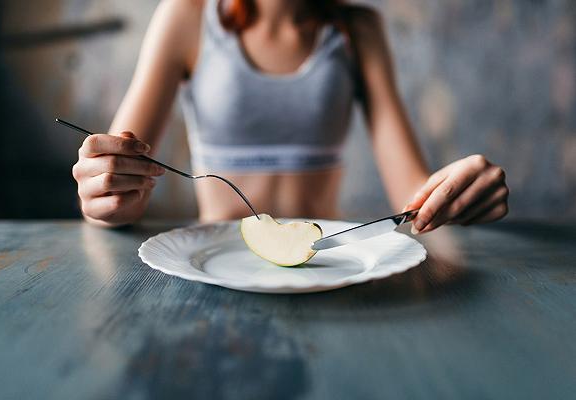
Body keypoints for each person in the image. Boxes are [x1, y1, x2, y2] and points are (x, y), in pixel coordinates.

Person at [72, 0, 509, 233]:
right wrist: (102, 193)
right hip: (216, 270)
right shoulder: (187, 16)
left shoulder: (358, 30)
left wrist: (458, 193)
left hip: (326, 266)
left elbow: (413, 197)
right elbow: (117, 177)